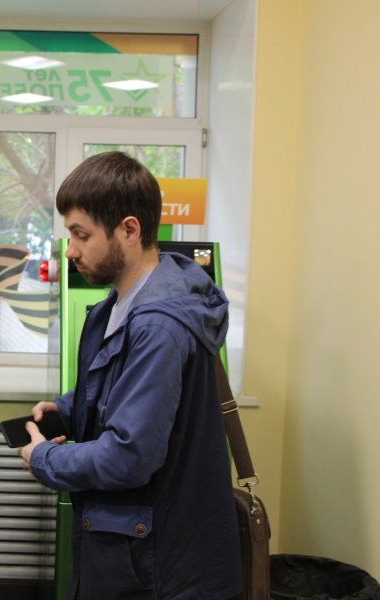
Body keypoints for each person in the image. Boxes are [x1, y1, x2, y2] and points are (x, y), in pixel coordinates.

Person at [19, 152, 242, 599]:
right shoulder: (116, 307)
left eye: (82, 235)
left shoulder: (159, 324)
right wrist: (66, 407)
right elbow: (118, 385)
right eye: (70, 234)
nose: (72, 251)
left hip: (158, 566)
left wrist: (43, 459)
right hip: (131, 549)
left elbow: (128, 456)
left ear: (129, 230)